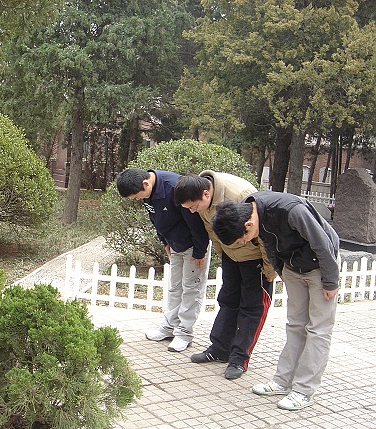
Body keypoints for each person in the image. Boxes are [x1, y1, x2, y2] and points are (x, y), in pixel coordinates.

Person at [211, 191, 339, 410]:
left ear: (248, 225)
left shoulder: (291, 210)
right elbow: (269, 243)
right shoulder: (252, 208)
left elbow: (322, 243)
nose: (245, 243)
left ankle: (304, 391)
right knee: (295, 325)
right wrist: (280, 270)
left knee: (318, 330)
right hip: (292, 266)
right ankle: (282, 381)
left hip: (320, 266)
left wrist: (330, 281)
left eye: (243, 240)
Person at [173, 171, 276, 380]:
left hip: (254, 258)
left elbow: (265, 234)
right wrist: (224, 256)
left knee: (252, 307)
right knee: (227, 300)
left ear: (206, 194)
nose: (193, 211)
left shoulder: (241, 195)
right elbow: (213, 233)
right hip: (231, 255)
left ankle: (239, 358)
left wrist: (269, 267)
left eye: (194, 207)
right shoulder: (201, 199)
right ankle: (220, 348)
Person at [116, 168, 210, 352]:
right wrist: (165, 242)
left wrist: (200, 252)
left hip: (193, 246)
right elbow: (155, 218)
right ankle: (169, 327)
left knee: (191, 289)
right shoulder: (148, 193)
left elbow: (196, 222)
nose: (138, 200)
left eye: (137, 197)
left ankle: (184, 333)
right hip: (174, 244)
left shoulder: (175, 187)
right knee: (175, 287)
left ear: (145, 184)